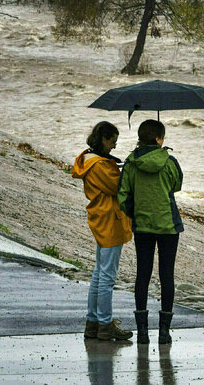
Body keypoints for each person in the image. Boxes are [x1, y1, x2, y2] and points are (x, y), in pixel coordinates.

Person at [118, 119, 183, 344]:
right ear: (158, 139)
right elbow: (177, 185)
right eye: (162, 137)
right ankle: (164, 332)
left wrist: (135, 214)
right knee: (167, 275)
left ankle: (143, 332)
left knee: (142, 275)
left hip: (143, 226)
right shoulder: (170, 161)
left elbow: (123, 195)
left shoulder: (131, 163)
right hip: (168, 226)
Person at [72, 121, 134, 341]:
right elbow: (119, 187)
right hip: (110, 220)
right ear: (104, 139)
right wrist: (128, 169)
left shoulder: (88, 159)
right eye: (113, 142)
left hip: (101, 217)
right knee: (107, 277)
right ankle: (105, 325)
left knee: (99, 275)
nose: (114, 147)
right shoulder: (100, 165)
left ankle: (93, 323)